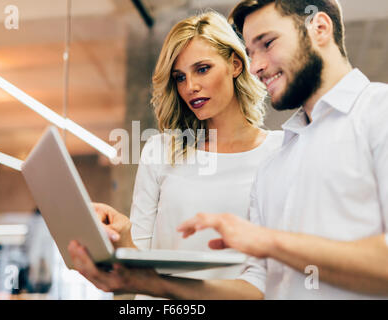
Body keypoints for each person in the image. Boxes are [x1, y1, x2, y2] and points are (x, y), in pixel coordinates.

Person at [178, 0, 388, 299]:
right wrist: (151, 284)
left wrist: (268, 241)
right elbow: (258, 287)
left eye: (267, 43)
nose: (256, 67)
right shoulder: (274, 165)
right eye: (250, 53)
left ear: (319, 27)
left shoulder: (380, 114)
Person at [69, 10, 284, 300]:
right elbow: (138, 260)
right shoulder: (161, 150)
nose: (190, 87)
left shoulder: (279, 152)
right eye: (180, 77)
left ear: (235, 64)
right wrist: (123, 236)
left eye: (203, 69)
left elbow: (268, 280)